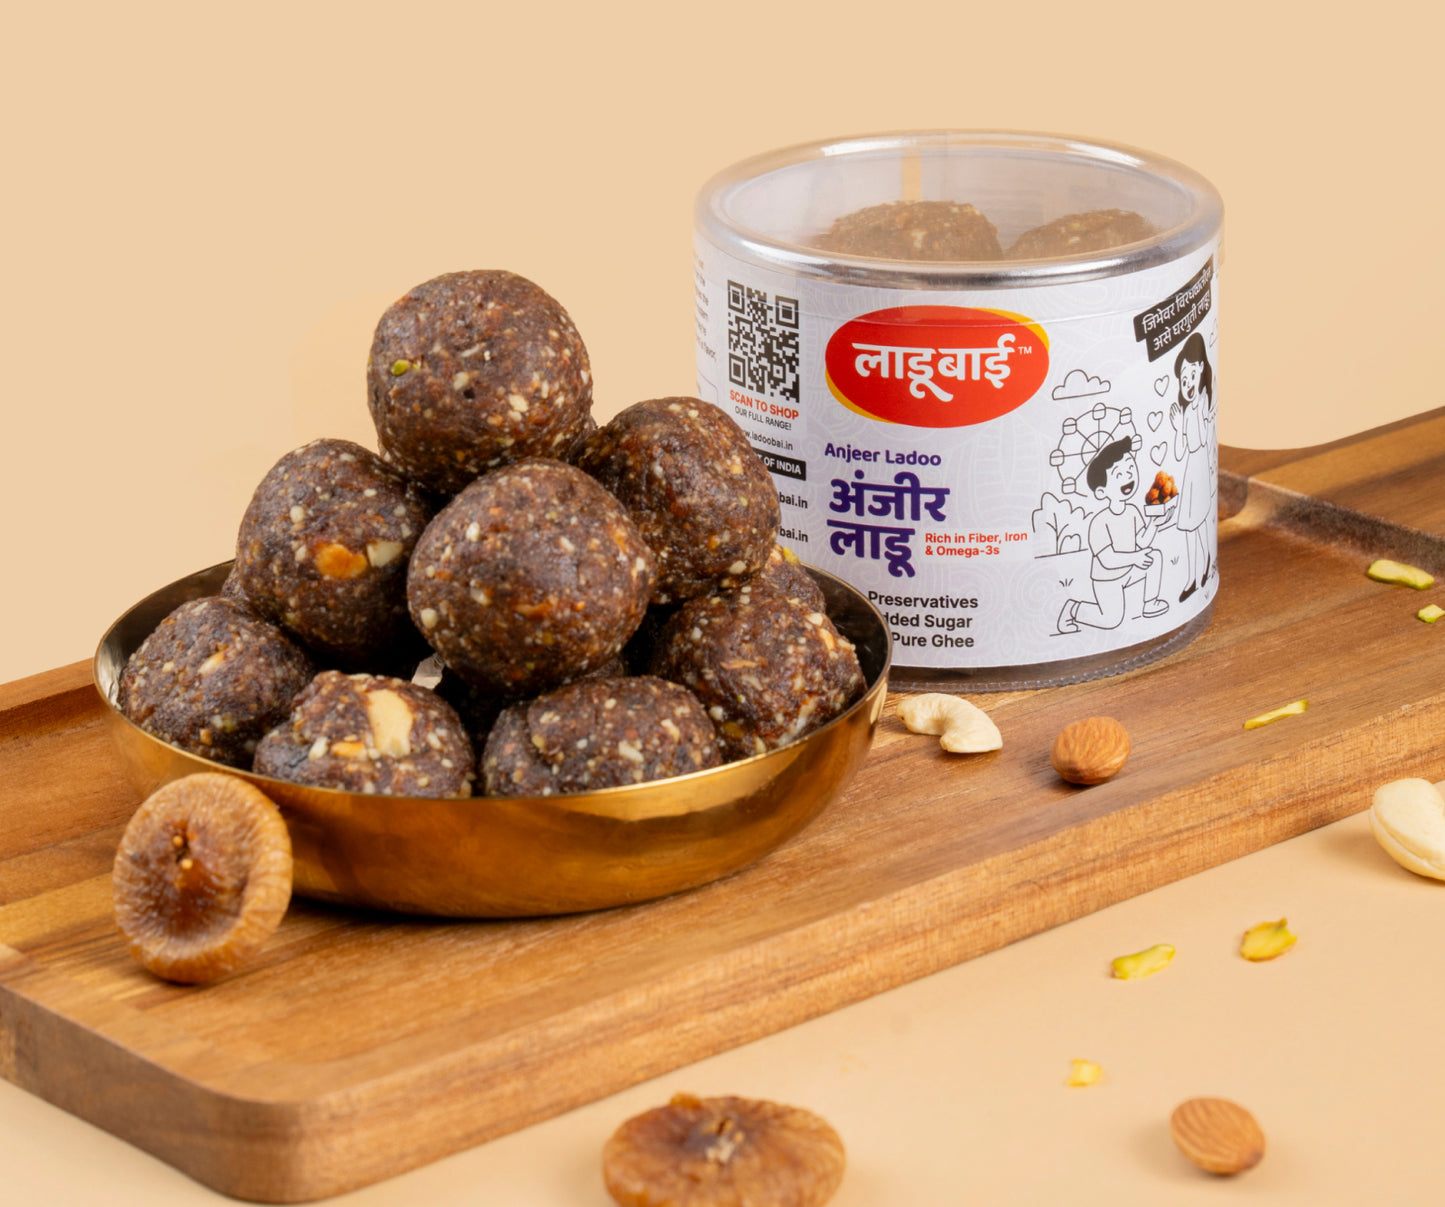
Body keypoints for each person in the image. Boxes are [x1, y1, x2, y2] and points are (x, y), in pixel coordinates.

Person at [1057, 437, 1168, 633]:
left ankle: (1150, 603)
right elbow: (1107, 560)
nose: (1128, 477)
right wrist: (1135, 558)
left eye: (1130, 469)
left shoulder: (1132, 511)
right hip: (1107, 578)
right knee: (1110, 620)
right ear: (1101, 492)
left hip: (1129, 569)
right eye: (1119, 475)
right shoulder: (1100, 522)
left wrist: (1154, 524)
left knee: (1155, 557)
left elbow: (1141, 541)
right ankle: (1073, 609)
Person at [1169, 333, 1216, 601]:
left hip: (1199, 468)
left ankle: (1204, 569)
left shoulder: (1203, 403)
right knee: (1189, 526)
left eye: (1192, 375)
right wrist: (1178, 428)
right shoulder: (1187, 412)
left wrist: (1196, 413)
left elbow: (1203, 440)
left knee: (1198, 526)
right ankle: (1191, 579)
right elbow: (1179, 451)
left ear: (1200, 370)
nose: (1188, 384)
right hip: (1189, 471)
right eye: (1183, 379)